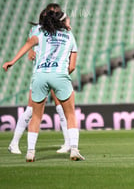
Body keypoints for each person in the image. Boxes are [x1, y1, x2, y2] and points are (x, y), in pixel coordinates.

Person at [2, 9, 84, 162]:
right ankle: (73, 149)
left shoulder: (41, 33)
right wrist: (61, 75)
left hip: (40, 74)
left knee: (36, 115)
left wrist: (12, 62)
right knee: (70, 114)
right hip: (60, 74)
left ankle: (31, 152)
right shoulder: (70, 36)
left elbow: (28, 44)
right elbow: (72, 66)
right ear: (63, 22)